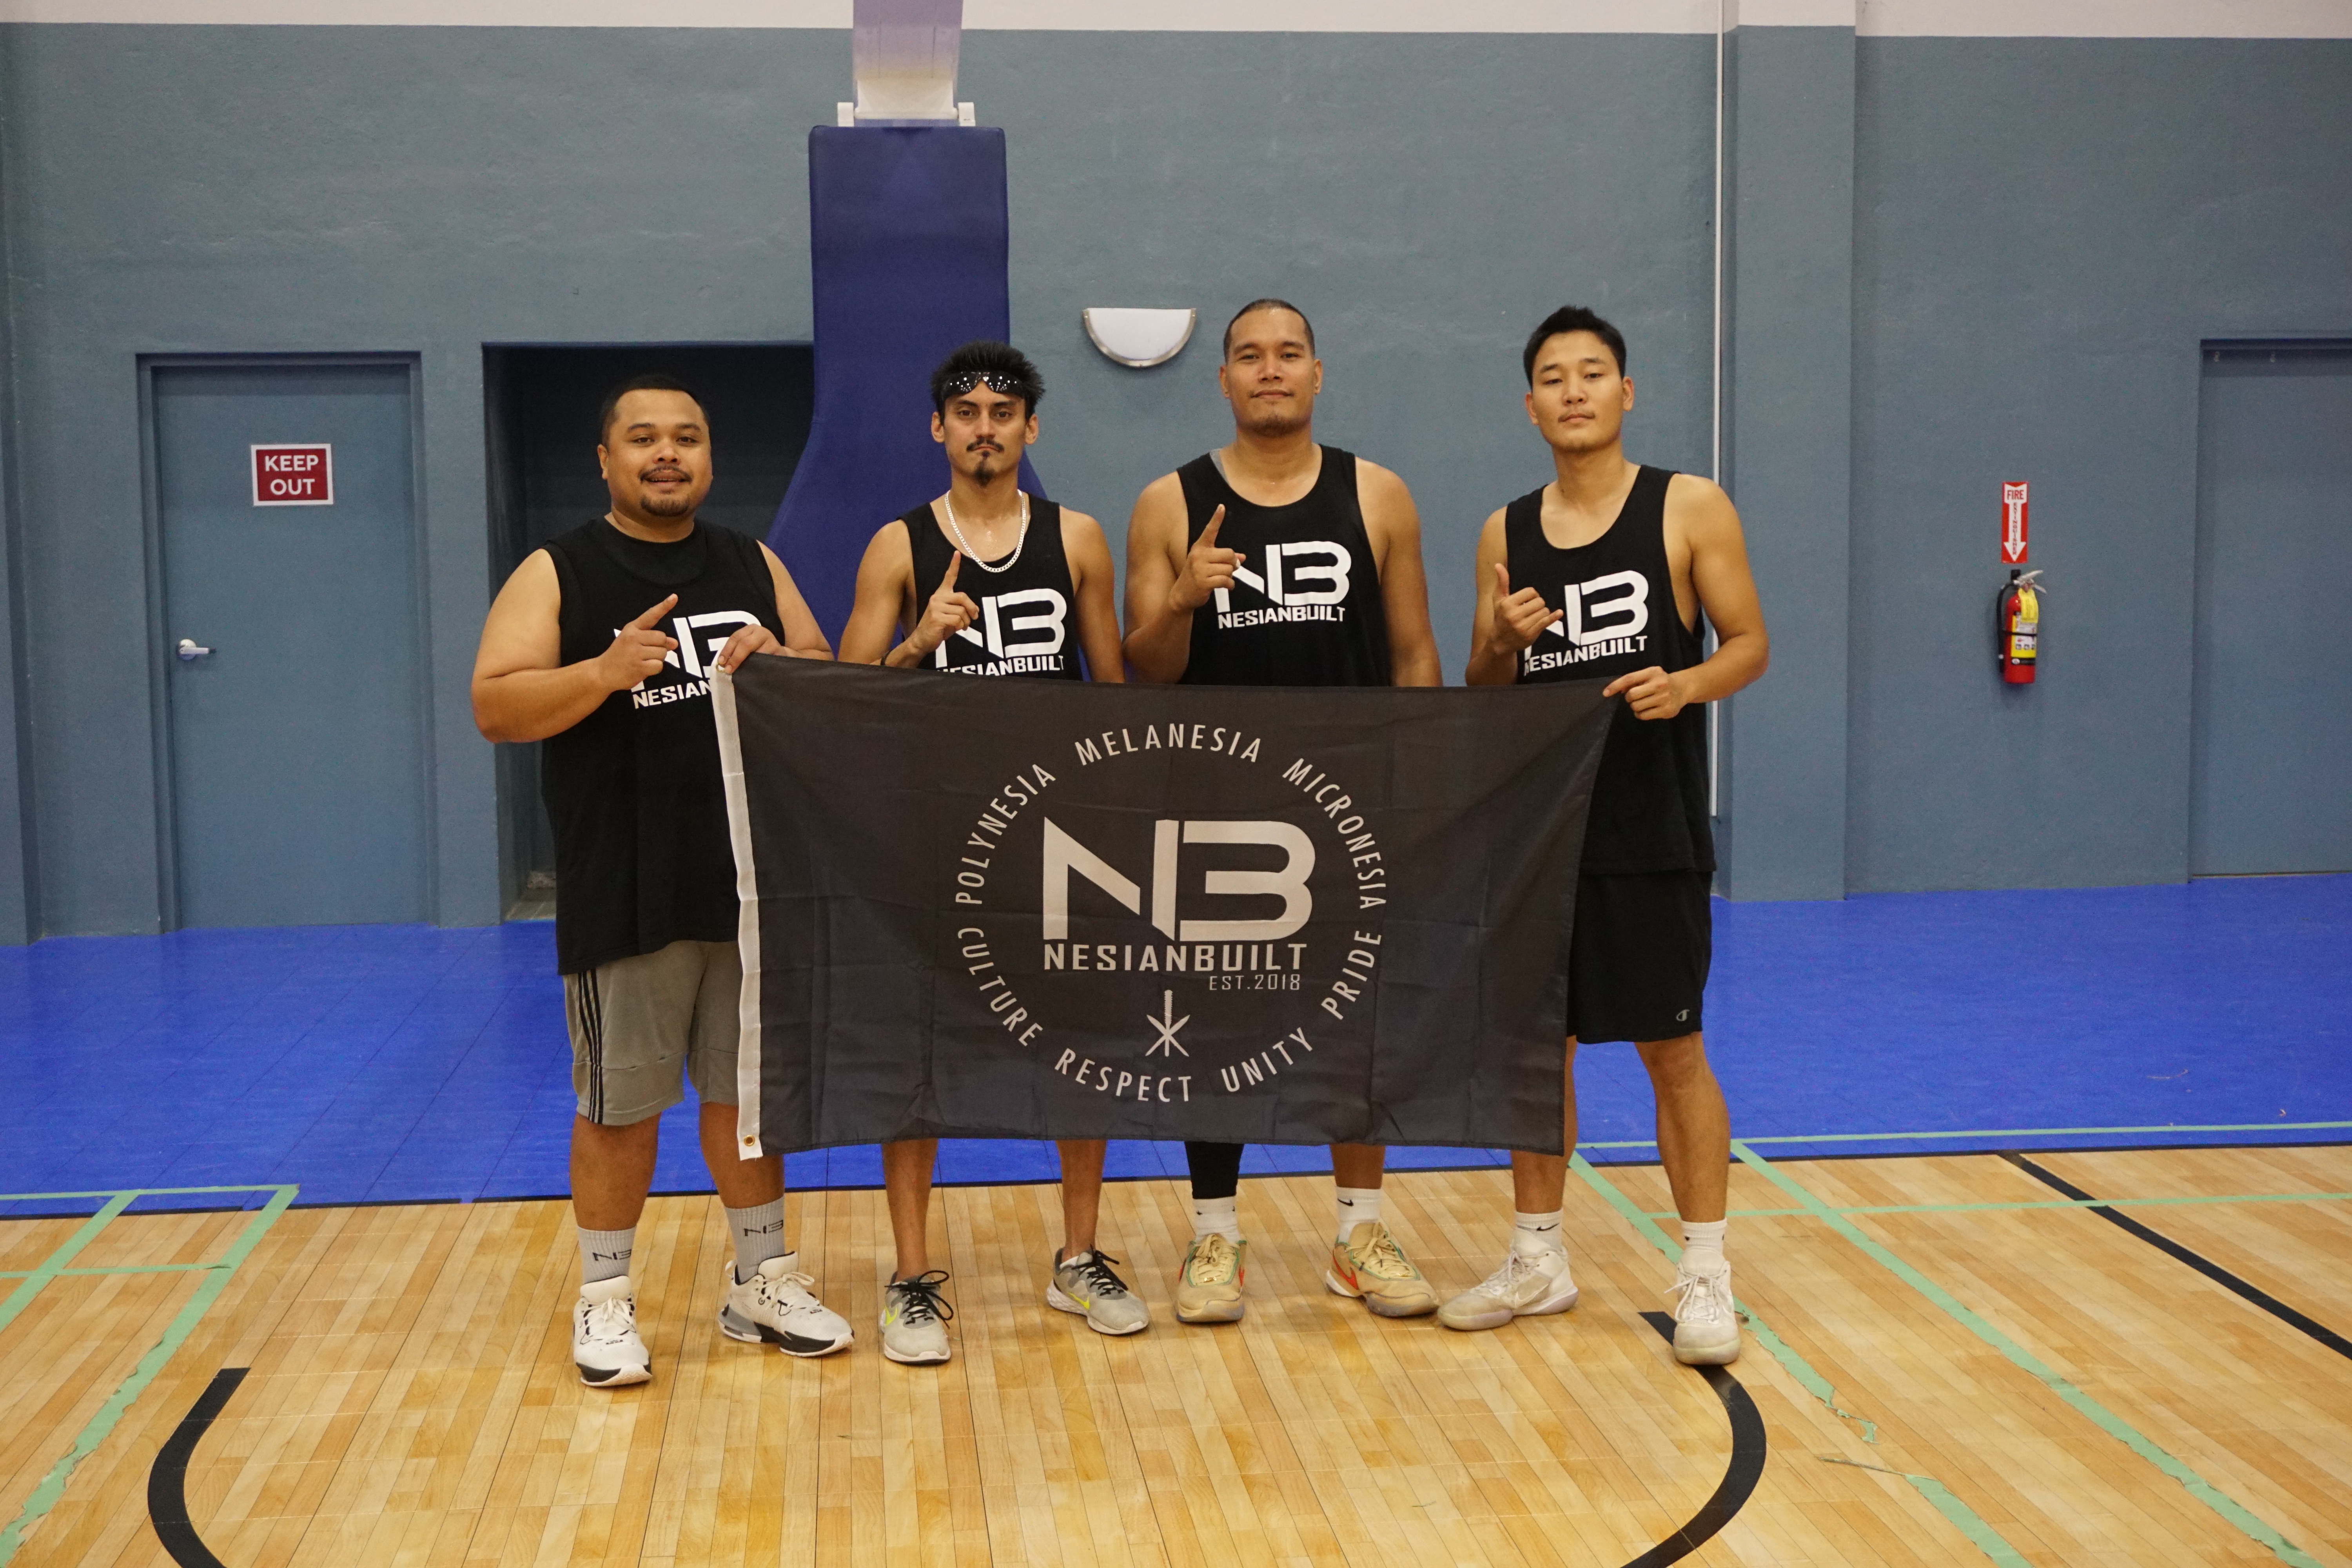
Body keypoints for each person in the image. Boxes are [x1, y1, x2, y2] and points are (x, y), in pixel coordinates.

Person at [470, 374, 851, 1387]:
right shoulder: (560, 570)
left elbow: (821, 670)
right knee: (620, 1110)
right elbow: (495, 705)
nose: (667, 453)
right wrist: (599, 674)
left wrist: (780, 661)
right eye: (644, 439)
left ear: (709, 456)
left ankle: (761, 1279)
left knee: (744, 1100)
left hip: (746, 887)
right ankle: (602, 1302)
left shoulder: (747, 559)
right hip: (623, 888)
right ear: (607, 460)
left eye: (687, 436)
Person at [1444, 306, 1769, 1365]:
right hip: (1541, 836)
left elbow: (1751, 644)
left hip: (1651, 824)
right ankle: (1539, 1257)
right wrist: (1496, 640)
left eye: (1593, 374)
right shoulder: (1506, 531)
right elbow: (1484, 688)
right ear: (1529, 403)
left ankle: (1707, 1274)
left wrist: (1689, 683)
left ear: (1625, 394)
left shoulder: (1688, 507)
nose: (1574, 390)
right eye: (1553, 376)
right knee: (1541, 1051)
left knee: (1673, 1049)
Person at [1122, 299, 1445, 1325]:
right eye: (1249, 357)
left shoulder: (1380, 496)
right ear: (1222, 380)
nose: (1270, 371)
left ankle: (1359, 1229)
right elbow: (1144, 676)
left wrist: (1422, 790)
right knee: (1218, 1026)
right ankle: (1215, 1230)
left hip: (1350, 813)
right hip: (1220, 813)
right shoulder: (1168, 504)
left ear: (1317, 374)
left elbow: (1413, 657)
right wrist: (1181, 600)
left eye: (1288, 355)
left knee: (1358, 1023)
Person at [839, 341, 1146, 1363]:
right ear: (939, 429)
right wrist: (917, 644)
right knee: (919, 1056)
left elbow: (1115, 692)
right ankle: (914, 1276)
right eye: (964, 410)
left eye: (1002, 411)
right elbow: (844, 701)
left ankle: (1079, 1256)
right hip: (933, 844)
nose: (984, 426)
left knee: (1083, 1048)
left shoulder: (1081, 540)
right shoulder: (898, 547)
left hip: (1059, 846)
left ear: (1031, 429)